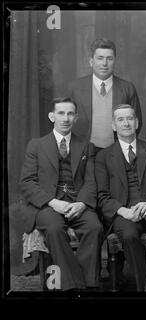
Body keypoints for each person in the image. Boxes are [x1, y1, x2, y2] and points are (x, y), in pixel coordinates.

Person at [19, 97, 103, 291]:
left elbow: (91, 182)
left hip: (77, 203)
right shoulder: (36, 145)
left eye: (70, 114)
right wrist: (52, 202)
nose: (66, 118)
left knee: (94, 227)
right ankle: (76, 286)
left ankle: (86, 283)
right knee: (55, 228)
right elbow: (26, 182)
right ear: (52, 116)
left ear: (76, 117)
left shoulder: (86, 146)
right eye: (61, 113)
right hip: (48, 205)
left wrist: (82, 204)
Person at [95, 104, 146, 291]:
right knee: (129, 235)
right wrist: (124, 211)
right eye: (121, 119)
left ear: (137, 122)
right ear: (114, 126)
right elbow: (102, 197)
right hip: (124, 213)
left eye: (130, 118)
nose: (126, 123)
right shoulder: (103, 156)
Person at [68, 38, 142, 151]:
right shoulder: (75, 87)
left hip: (117, 152)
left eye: (109, 59)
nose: (104, 63)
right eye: (100, 58)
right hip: (84, 152)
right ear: (91, 61)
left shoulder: (127, 88)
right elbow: (66, 121)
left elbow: (137, 123)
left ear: (115, 61)